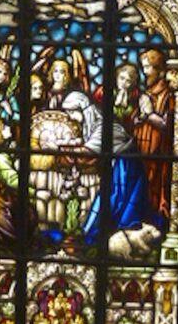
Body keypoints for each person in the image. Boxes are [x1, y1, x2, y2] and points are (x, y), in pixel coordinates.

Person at [63, 90, 157, 245]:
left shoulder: (104, 127)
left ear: (82, 109)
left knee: (115, 201)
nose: (71, 117)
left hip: (127, 168)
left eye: (72, 112)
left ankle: (103, 239)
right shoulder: (93, 124)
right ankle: (97, 237)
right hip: (118, 166)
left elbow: (87, 152)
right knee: (110, 201)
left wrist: (59, 148)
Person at [134, 49, 174, 218]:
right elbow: (136, 120)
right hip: (143, 148)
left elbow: (169, 126)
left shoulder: (169, 94)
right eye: (143, 67)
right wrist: (139, 118)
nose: (144, 72)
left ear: (159, 69)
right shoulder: (147, 93)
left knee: (155, 187)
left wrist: (150, 114)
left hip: (159, 151)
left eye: (148, 67)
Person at [94, 62, 140, 136]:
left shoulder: (134, 95)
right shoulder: (103, 91)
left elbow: (130, 118)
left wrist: (125, 105)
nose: (123, 83)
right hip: (101, 128)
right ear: (116, 77)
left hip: (123, 132)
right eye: (122, 78)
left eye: (128, 81)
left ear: (132, 83)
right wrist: (115, 103)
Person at [0, 58, 20, 128]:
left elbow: (18, 117)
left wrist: (9, 109)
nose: (2, 76)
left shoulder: (8, 95)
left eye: (5, 74)